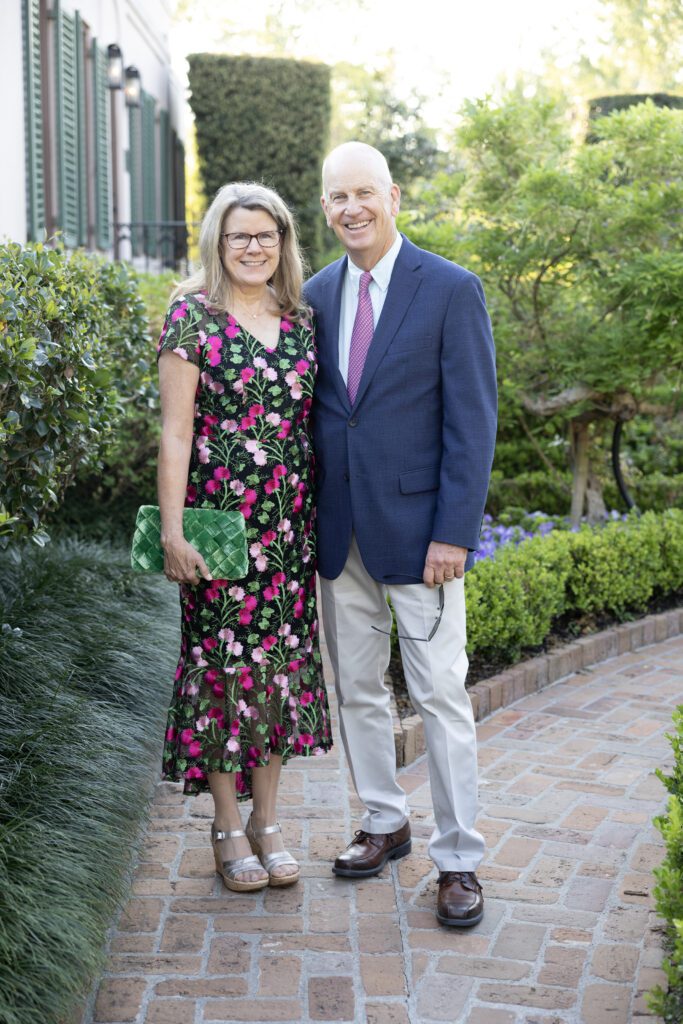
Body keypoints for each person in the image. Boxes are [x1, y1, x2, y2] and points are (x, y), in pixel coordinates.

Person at [304, 142, 497, 926]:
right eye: (336, 197)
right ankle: (383, 821)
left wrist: (454, 531)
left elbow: (472, 423)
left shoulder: (449, 288)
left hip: (422, 538)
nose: (350, 208)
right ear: (325, 207)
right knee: (355, 688)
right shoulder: (314, 295)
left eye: (363, 193)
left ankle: (458, 859)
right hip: (339, 532)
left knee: (440, 696)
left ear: (392, 197)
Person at [156, 182, 332, 893]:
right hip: (219, 531)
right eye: (240, 236)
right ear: (218, 243)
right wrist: (172, 531)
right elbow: (175, 433)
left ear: (283, 242)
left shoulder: (302, 320)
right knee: (223, 673)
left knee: (278, 672)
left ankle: (268, 821)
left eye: (266, 235)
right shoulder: (191, 318)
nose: (253, 247)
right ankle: (226, 823)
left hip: (289, 533)